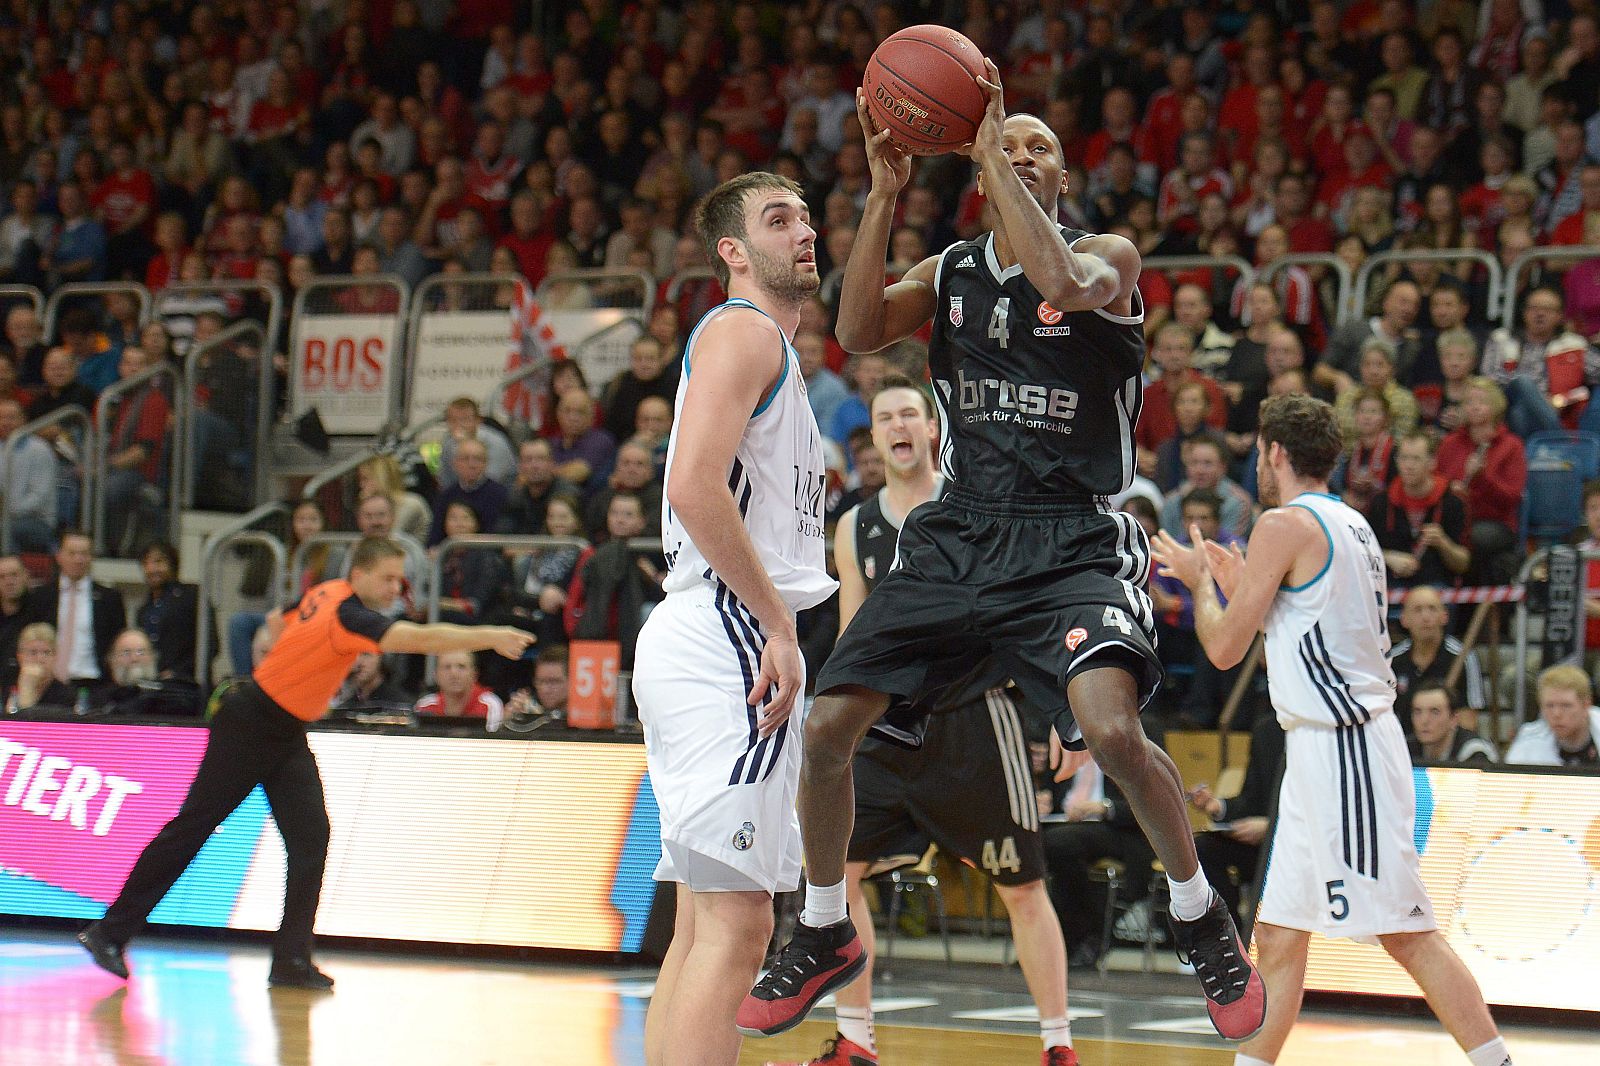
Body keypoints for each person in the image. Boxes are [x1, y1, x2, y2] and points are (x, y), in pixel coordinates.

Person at [744, 72, 1265, 1046]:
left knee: (1110, 730)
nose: (1022, 152)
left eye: (1039, 147)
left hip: (1070, 536)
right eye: (1007, 143)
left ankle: (1198, 912)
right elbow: (855, 332)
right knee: (825, 730)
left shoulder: (1105, 258)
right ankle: (821, 926)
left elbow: (1063, 285)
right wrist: (886, 191)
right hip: (962, 527)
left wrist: (984, 146)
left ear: (1061, 176)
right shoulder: (949, 274)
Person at [1152, 392, 1512, 1066]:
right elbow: (1304, 622)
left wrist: (1203, 583)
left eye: (1261, 449)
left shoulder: (1283, 524)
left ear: (1275, 453)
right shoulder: (1348, 523)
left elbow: (1225, 648)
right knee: (1280, 934)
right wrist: (1239, 581)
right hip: (1323, 749)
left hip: (1345, 747)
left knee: (1406, 932)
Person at [77, 537, 535, 990]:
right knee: (192, 827)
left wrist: (297, 669)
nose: (398, 587)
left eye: (402, 578)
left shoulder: (327, 591)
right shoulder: (349, 613)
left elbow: (279, 621)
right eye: (389, 577)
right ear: (360, 574)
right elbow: (418, 639)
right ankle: (109, 933)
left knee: (311, 837)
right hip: (251, 723)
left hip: (283, 727)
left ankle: (291, 960)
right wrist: (490, 636)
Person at [779, 375, 1074, 1066]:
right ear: (874, 436)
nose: (898, 424)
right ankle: (856, 1042)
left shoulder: (976, 502)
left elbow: (1034, 612)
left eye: (910, 411)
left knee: (1023, 886)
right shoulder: (856, 524)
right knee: (838, 879)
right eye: (885, 417)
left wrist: (1066, 715)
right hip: (884, 725)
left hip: (970, 717)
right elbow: (855, 630)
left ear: (934, 426)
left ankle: (1059, 1046)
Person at [633, 172, 837, 1066]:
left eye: (805, 217)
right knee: (738, 925)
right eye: (777, 219)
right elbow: (690, 486)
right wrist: (780, 628)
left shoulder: (772, 353)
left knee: (700, 929)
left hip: (706, 631)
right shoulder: (744, 331)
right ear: (732, 251)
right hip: (728, 633)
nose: (804, 232)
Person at [27, 532, 125, 693]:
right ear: (59, 556)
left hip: (95, 683)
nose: (78, 559)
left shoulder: (109, 598)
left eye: (84, 554)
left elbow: (118, 643)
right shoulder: (40, 597)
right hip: (48, 683)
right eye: (72, 553)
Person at [1388, 586, 1489, 730]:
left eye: (1432, 609)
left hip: (1446, 747)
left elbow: (1469, 720)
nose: (1425, 617)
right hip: (1402, 745)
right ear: (1404, 619)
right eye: (1418, 610)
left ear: (1445, 616)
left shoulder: (1463, 658)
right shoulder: (1392, 660)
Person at [1505, 665, 1600, 767]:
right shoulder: (1528, 741)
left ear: (1586, 705)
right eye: (1549, 706)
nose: (1556, 714)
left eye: (1566, 705)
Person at [134, 542, 200, 680]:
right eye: (146, 563)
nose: (152, 569)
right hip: (150, 682)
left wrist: (178, 672)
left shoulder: (192, 596)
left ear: (172, 564)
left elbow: (210, 645)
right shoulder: (143, 609)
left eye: (158, 561)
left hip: (185, 684)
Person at [1407, 685, 1497, 767]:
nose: (1424, 720)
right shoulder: (1405, 748)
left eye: (1435, 712)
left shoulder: (1475, 752)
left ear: (1454, 719)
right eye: (1417, 712)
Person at [414, 649, 506, 730]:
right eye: (447, 667)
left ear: (474, 674)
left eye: (461, 667)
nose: (454, 674)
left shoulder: (490, 705)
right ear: (436, 675)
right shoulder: (425, 706)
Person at [4, 622, 74, 712]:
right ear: (19, 656)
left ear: (55, 656)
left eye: (46, 652)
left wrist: (27, 688)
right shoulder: (6, 687)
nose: (40, 659)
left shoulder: (67, 694)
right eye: (33, 652)